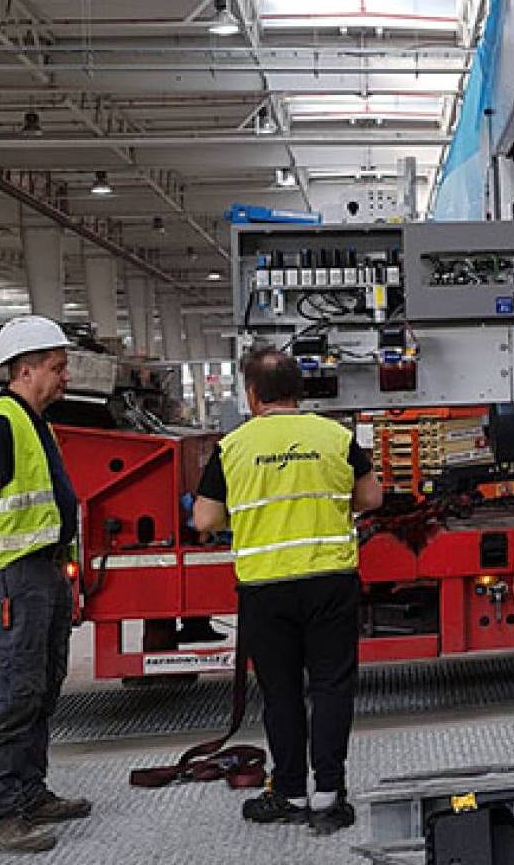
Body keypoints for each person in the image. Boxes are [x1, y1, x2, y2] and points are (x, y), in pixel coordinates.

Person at [190, 347, 382, 836]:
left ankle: (291, 792)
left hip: (266, 587)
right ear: (299, 391)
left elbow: (205, 519)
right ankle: (329, 796)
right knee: (331, 687)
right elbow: (371, 497)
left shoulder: (233, 447)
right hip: (330, 580)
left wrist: (249, 515)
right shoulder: (335, 436)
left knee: (281, 692)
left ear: (252, 394)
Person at [0, 315, 91, 854]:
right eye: (57, 368)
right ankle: (2, 813)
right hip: (15, 576)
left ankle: (31, 793)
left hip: (43, 573)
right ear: (25, 369)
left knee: (42, 686)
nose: (65, 377)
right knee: (13, 692)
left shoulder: (36, 423)